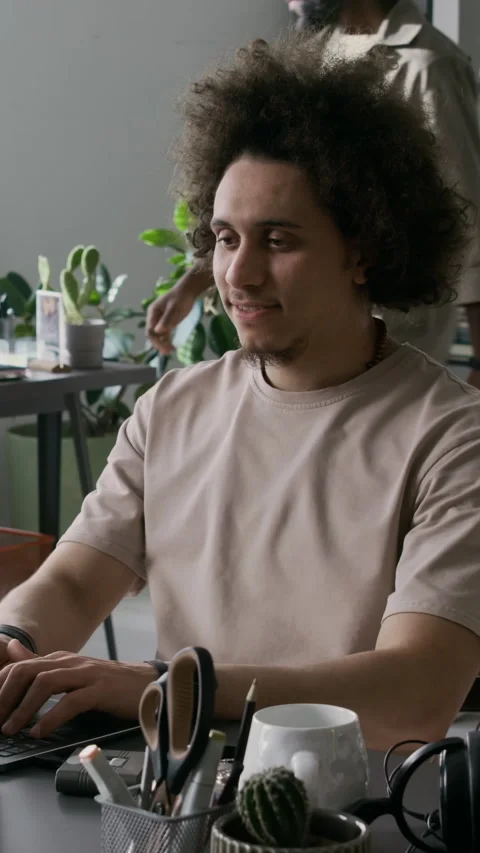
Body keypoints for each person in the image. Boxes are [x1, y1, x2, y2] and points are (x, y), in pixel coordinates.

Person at [0, 34, 479, 752]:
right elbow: (73, 582)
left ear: (365, 251)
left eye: (277, 241)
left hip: (349, 802)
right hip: (171, 793)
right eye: (226, 238)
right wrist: (14, 638)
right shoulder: (171, 410)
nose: (238, 275)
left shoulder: (453, 437)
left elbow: (415, 692)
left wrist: (174, 684)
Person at [148, 0, 480, 383]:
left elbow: (470, 223)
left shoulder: (429, 67)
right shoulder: (322, 49)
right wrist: (191, 285)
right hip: (298, 364)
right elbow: (265, 207)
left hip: (389, 356)